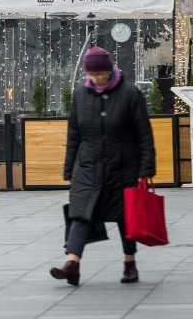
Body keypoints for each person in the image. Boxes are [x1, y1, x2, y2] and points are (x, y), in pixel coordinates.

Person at [50, 46, 156, 287]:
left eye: (100, 74)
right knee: (79, 215)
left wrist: (146, 169)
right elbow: (74, 135)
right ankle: (72, 264)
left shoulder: (130, 94)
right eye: (91, 74)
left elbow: (144, 135)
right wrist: (69, 170)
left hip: (123, 168)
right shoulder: (80, 96)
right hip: (87, 168)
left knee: (124, 218)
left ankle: (130, 264)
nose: (96, 79)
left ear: (110, 71)